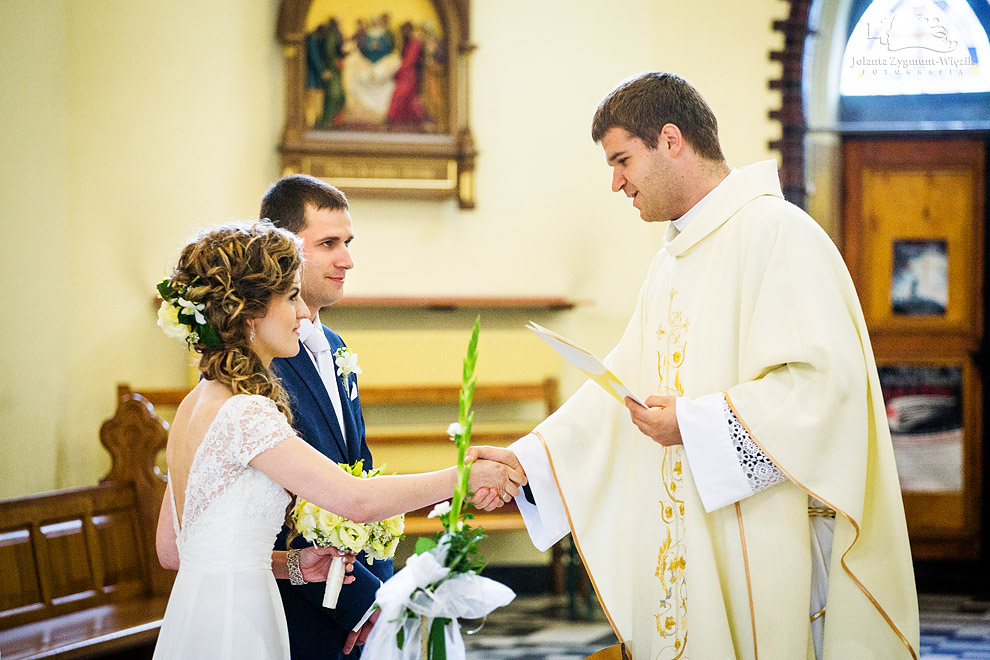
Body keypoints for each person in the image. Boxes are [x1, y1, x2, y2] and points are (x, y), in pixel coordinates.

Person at [469, 72, 920, 659]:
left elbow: (821, 390)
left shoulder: (777, 234)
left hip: (760, 536)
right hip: (691, 537)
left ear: (672, 140)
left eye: (623, 160)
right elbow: (618, 390)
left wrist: (698, 424)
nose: (616, 183)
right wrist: (528, 459)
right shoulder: (673, 262)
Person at [152, 222, 523, 660]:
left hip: (199, 616)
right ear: (249, 312)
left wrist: (293, 565)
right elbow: (357, 501)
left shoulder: (196, 401)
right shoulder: (245, 411)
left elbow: (173, 550)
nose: (305, 314)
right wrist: (466, 475)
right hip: (239, 625)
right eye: (291, 298)